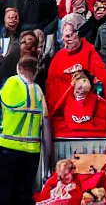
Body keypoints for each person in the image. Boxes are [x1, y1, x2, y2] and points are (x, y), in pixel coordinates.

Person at [0, 56, 48, 204]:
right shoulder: (38, 91)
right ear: (36, 71)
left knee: (5, 193)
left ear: (18, 68)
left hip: (8, 148)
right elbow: (45, 123)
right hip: (32, 151)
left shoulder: (11, 83)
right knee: (24, 195)